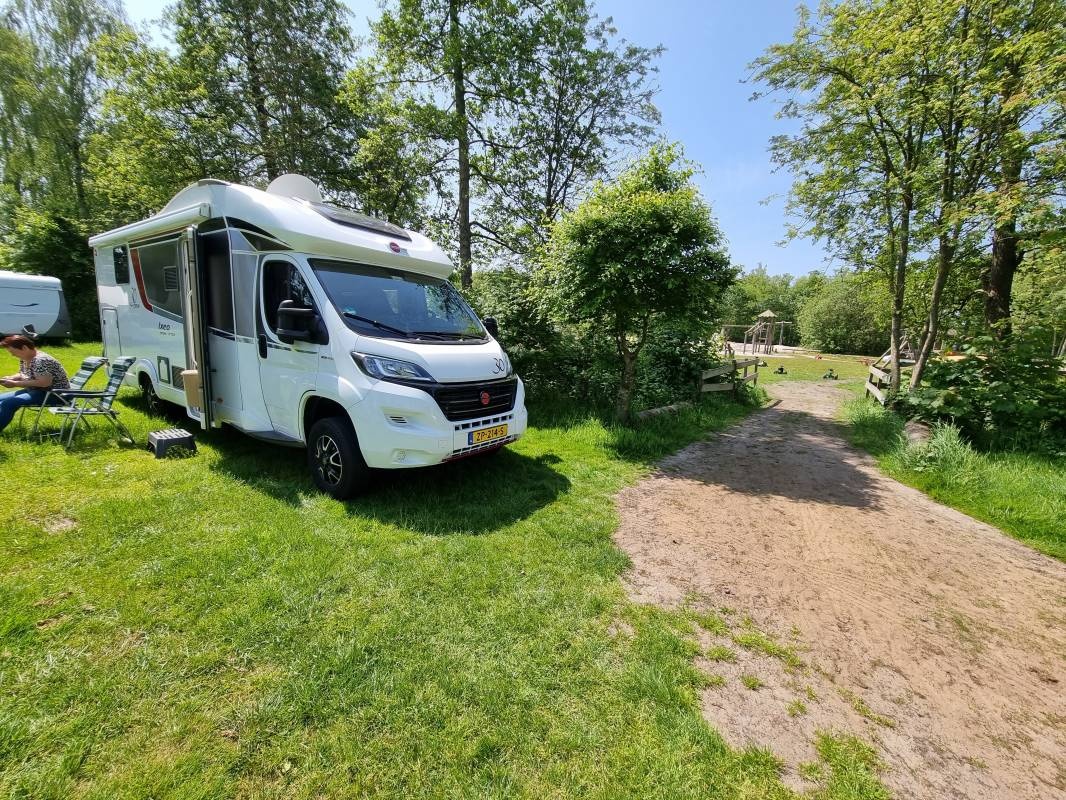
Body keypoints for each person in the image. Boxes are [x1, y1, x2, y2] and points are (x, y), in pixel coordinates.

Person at [0, 334, 71, 433]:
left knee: (9, 403)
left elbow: (44, 383)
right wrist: (11, 378)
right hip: (37, 391)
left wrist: (15, 384)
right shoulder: (26, 358)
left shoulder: (40, 360)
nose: (12, 355)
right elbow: (23, 373)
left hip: (54, 394)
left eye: (13, 352)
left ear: (24, 348)